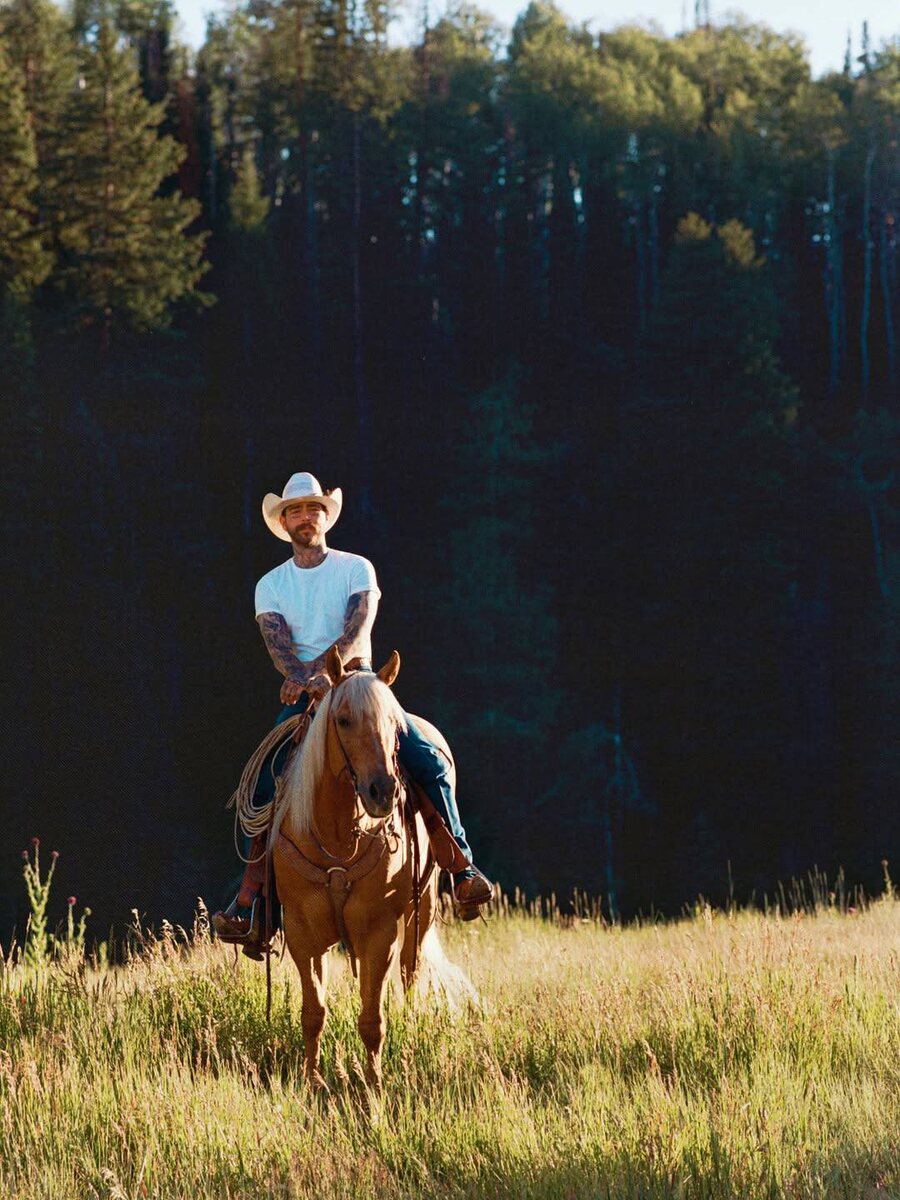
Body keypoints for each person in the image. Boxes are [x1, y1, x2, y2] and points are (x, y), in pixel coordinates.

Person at [212, 472, 493, 949]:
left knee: (425, 756)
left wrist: (329, 674)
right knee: (265, 783)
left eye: (313, 509)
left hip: (359, 682)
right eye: (296, 511)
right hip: (305, 693)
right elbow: (276, 642)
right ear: (284, 521)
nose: (305, 517)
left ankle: (461, 867)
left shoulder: (356, 568)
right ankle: (253, 904)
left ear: (326, 516)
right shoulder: (270, 585)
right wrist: (301, 678)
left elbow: (359, 624)